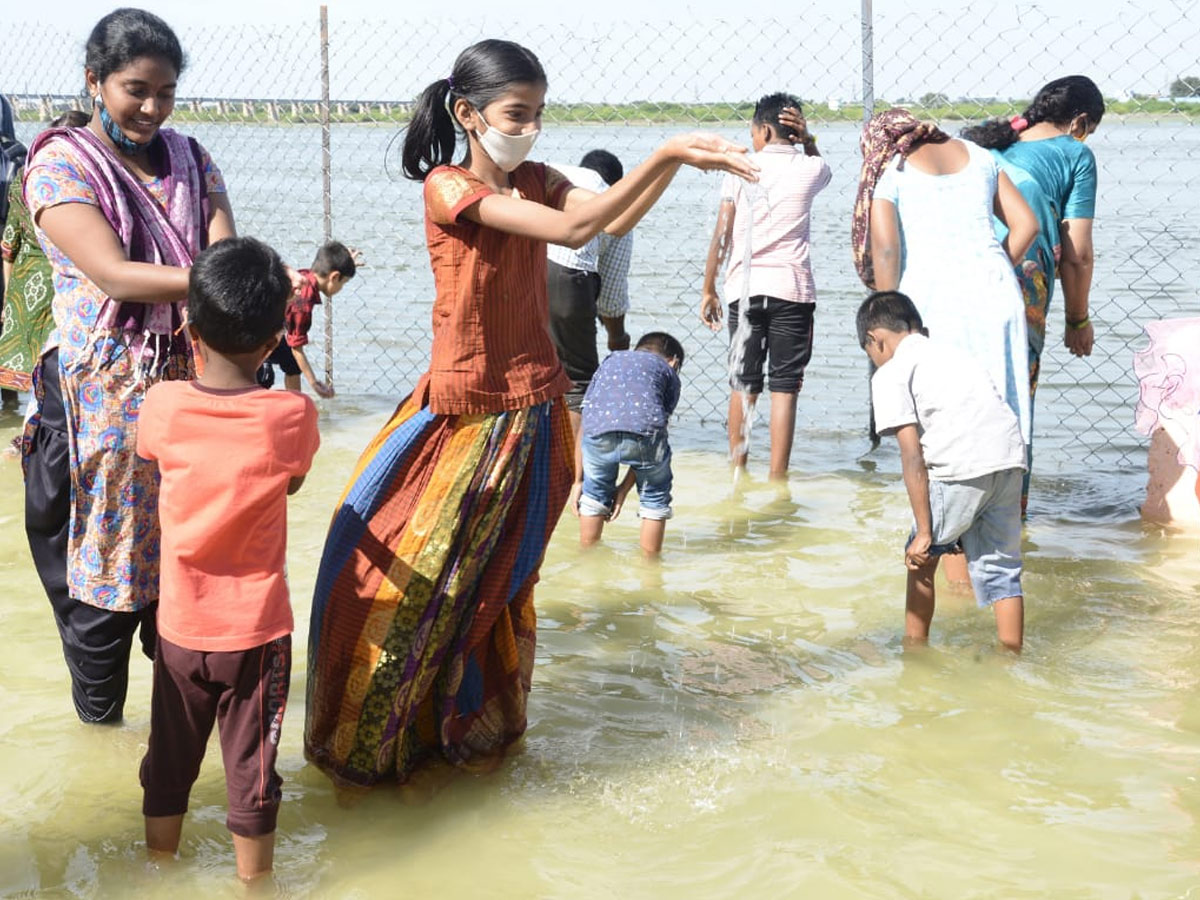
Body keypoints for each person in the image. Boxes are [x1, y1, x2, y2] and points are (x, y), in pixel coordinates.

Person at [303, 38, 756, 788]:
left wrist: (672, 164)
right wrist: (670, 152)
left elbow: (609, 219)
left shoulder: (539, 178)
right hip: (462, 417)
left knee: (497, 591)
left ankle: (466, 742)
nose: (532, 129)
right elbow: (578, 231)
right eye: (519, 114)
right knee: (404, 587)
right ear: (467, 114)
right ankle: (381, 753)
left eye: (540, 114)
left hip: (536, 415)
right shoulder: (449, 189)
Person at [21, 8, 235, 723]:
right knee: (102, 583)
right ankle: (101, 735)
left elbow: (221, 257)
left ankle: (176, 742)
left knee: (187, 573)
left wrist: (240, 289)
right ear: (94, 81)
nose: (151, 108)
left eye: (166, 92)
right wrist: (230, 280)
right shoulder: (59, 164)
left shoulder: (193, 158)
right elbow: (115, 274)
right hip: (94, 409)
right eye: (134, 89)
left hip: (185, 396)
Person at [136, 236, 318, 882]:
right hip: (257, 632)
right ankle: (255, 888)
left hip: (180, 627)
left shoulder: (161, 405)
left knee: (169, 757)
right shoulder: (292, 414)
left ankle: (158, 870)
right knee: (253, 771)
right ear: (274, 342)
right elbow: (290, 481)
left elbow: (154, 454)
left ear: (189, 328)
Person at [855, 108, 1038, 449]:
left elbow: (886, 253)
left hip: (931, 304)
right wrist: (992, 266)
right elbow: (1027, 224)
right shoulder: (981, 157)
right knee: (1001, 411)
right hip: (995, 294)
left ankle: (940, 500)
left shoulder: (892, 171)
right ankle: (1008, 498)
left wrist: (886, 312)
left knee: (941, 421)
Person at [961, 76, 1104, 510]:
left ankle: (953, 520)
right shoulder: (1075, 154)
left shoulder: (987, 146)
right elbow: (1077, 254)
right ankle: (1007, 524)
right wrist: (1078, 320)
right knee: (1013, 406)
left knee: (966, 400)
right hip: (1018, 294)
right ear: (1079, 122)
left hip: (962, 286)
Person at [858, 291, 1025, 651]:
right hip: (1010, 458)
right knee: (1003, 571)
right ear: (919, 329)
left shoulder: (891, 373)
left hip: (960, 464)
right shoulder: (955, 354)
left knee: (920, 560)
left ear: (876, 340)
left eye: (869, 352)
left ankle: (914, 653)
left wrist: (924, 531)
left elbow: (911, 456)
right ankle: (1010, 657)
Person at [701, 93, 830, 481]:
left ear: (765, 129)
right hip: (792, 289)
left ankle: (737, 471)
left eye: (754, 131)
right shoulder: (811, 168)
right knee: (785, 388)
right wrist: (808, 140)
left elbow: (723, 233)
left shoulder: (742, 168)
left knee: (743, 383)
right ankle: (778, 478)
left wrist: (709, 287)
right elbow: (823, 166)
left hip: (745, 288)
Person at [0, 112, 90, 406]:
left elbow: (8, 246)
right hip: (60, 281)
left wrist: (7, 297)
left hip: (24, 284)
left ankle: (17, 423)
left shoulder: (25, 179)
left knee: (16, 365)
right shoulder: (93, 185)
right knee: (59, 368)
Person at [571, 331, 682, 556]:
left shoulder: (612, 361)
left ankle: (587, 559)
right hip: (645, 435)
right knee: (654, 497)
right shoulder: (668, 372)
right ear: (674, 362)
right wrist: (623, 490)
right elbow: (653, 435)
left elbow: (585, 420)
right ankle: (650, 568)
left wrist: (577, 480)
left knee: (594, 495)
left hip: (597, 432)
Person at [546, 149, 634, 432]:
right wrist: (617, 338)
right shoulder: (613, 203)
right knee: (578, 385)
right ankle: (576, 473)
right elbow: (611, 295)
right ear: (616, 186)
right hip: (567, 278)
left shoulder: (552, 174)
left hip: (521, 270)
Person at [257, 239, 356, 396]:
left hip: (268, 325)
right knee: (262, 379)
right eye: (342, 283)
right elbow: (296, 347)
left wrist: (346, 262)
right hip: (255, 332)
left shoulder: (304, 276)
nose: (340, 288)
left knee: (291, 364)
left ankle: (293, 406)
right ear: (334, 276)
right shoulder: (303, 300)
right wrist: (314, 384)